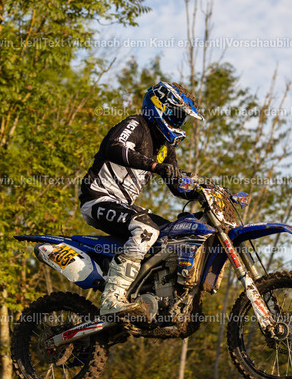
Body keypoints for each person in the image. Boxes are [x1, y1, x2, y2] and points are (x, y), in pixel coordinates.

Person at [79, 81, 204, 317]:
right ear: (159, 105)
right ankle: (112, 299)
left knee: (173, 235)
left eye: (182, 119)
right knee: (146, 228)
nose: (178, 122)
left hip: (123, 206)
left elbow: (176, 183)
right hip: (98, 198)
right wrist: (155, 166)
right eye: (176, 115)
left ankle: (150, 298)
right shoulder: (136, 124)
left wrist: (202, 192)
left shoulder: (165, 147)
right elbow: (115, 147)